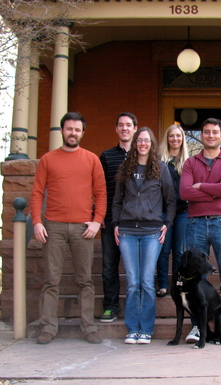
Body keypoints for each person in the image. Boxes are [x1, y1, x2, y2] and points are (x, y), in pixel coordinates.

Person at [30, 112, 106, 345]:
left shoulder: (92, 159)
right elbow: (37, 193)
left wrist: (97, 220)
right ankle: (48, 327)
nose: (73, 133)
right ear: (62, 131)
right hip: (54, 226)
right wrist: (37, 221)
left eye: (77, 129)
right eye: (69, 129)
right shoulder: (47, 159)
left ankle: (89, 327)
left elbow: (101, 193)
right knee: (51, 279)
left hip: (84, 228)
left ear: (83, 132)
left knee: (85, 280)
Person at [112, 127, 176, 344]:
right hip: (128, 231)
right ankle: (132, 329)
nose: (142, 143)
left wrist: (166, 224)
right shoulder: (126, 169)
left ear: (152, 143)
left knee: (147, 281)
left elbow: (170, 201)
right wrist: (115, 223)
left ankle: (146, 329)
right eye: (139, 140)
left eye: (146, 140)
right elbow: (117, 200)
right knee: (132, 282)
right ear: (135, 143)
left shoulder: (161, 169)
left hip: (151, 233)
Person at [180, 117, 221, 345]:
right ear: (202, 135)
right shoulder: (190, 163)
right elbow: (185, 192)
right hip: (195, 223)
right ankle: (197, 327)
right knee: (196, 279)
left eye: (215, 132)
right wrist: (218, 190)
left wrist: (202, 186)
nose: (211, 135)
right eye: (206, 132)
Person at [99, 112, 138, 323]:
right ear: (116, 129)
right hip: (110, 217)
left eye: (128, 125)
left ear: (135, 128)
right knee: (109, 265)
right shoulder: (106, 156)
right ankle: (110, 306)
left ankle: (137, 306)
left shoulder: (142, 155)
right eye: (121, 125)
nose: (124, 128)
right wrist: (100, 215)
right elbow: (100, 187)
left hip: (135, 220)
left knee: (136, 267)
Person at [156, 124, 189, 297]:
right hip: (163, 211)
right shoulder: (160, 161)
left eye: (178, 136)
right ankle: (162, 284)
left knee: (179, 251)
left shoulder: (189, 161)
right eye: (171, 136)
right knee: (163, 249)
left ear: (183, 139)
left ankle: (178, 283)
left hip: (184, 211)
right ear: (167, 138)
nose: (175, 139)